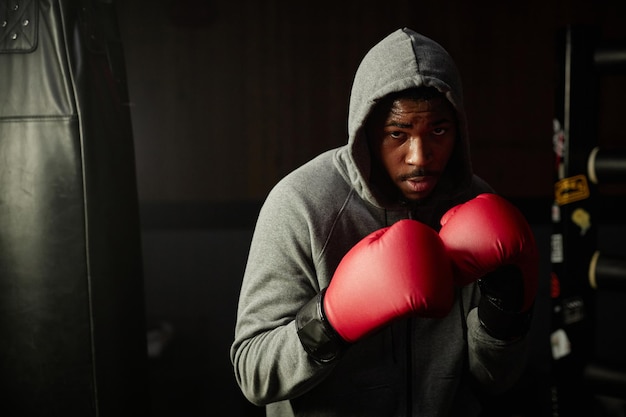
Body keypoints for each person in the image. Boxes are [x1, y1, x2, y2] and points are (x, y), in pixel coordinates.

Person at [230, 27, 539, 417]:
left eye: (438, 131)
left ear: (458, 129)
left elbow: (497, 380)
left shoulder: (478, 204)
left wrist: (504, 311)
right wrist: (331, 320)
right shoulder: (302, 204)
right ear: (367, 133)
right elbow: (253, 374)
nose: (419, 157)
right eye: (398, 133)